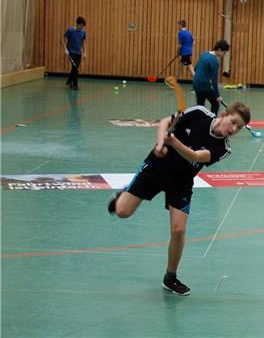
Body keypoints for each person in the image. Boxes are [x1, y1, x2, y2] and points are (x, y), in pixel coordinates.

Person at [107, 102, 252, 296]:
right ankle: (122, 196)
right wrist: (160, 144)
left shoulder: (224, 148)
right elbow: (165, 122)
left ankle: (170, 277)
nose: (234, 129)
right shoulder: (199, 113)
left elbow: (196, 156)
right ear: (224, 114)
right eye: (233, 122)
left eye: (239, 127)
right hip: (156, 167)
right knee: (123, 212)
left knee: (179, 230)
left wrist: (174, 142)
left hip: (181, 182)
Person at [193, 40, 229, 115]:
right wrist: (217, 95)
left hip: (196, 83)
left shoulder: (204, 54)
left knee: (200, 106)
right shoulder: (214, 61)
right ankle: (211, 122)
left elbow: (195, 69)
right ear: (219, 50)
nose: (224, 55)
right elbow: (214, 80)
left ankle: (198, 122)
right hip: (204, 85)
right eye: (224, 52)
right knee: (215, 104)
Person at [62, 17, 87, 90]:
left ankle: (69, 80)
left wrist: (84, 52)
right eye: (81, 25)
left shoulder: (83, 32)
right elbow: (63, 39)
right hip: (71, 52)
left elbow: (83, 43)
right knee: (75, 68)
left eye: (83, 26)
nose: (82, 27)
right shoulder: (70, 30)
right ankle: (75, 85)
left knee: (74, 68)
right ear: (77, 24)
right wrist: (65, 49)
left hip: (78, 53)